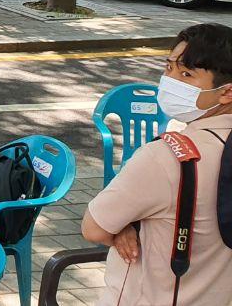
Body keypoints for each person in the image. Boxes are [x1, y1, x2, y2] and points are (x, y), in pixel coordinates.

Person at [82, 23, 232, 306]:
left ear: (226, 93)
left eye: (187, 74)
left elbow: (94, 228)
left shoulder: (167, 157)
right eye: (169, 68)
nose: (171, 81)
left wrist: (126, 224)